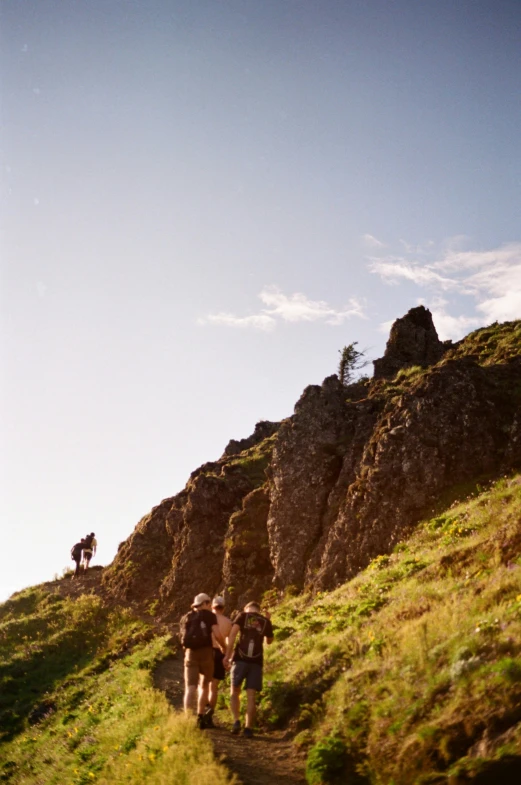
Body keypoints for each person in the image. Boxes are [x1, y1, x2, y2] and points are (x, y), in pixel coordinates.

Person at [223, 600, 274, 738]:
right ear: (258, 610)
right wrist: (268, 621)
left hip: (240, 659)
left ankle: (236, 721)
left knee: (235, 690)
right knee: (251, 695)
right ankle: (248, 728)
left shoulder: (242, 616)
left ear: (247, 609)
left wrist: (227, 656)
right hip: (256, 662)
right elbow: (269, 641)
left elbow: (232, 636)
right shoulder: (265, 621)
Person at [180, 593, 226, 729]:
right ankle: (200, 716)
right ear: (205, 603)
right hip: (206, 653)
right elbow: (217, 634)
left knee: (190, 687)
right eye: (208, 603)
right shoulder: (209, 616)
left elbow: (182, 639)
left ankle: (187, 719)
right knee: (204, 685)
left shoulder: (186, 617)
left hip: (190, 654)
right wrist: (224, 647)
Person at [205, 596, 233, 728]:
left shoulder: (206, 618)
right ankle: (209, 715)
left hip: (205, 651)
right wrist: (228, 656)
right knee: (214, 687)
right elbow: (229, 641)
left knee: (203, 684)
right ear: (224, 608)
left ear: (212, 606)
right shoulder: (228, 622)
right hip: (219, 653)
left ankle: (202, 710)